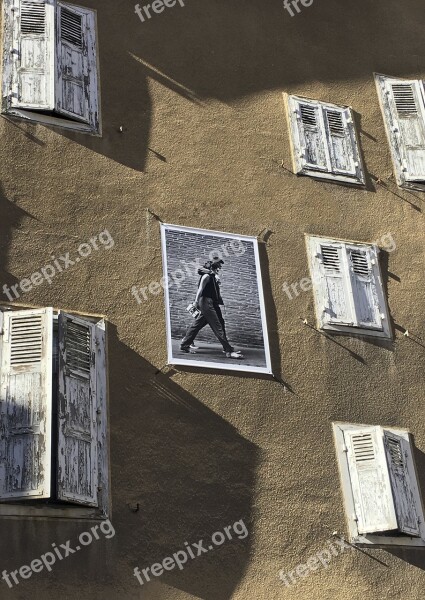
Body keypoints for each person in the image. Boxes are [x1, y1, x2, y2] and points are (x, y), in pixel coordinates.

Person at [180, 258, 244, 359]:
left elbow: (213, 291)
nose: (220, 268)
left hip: (212, 303)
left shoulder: (213, 277)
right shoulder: (206, 276)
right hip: (205, 302)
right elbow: (200, 289)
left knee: (200, 324)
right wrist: (196, 302)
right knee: (217, 326)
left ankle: (185, 345)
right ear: (214, 267)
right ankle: (228, 351)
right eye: (219, 266)